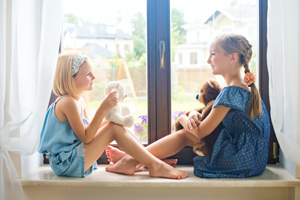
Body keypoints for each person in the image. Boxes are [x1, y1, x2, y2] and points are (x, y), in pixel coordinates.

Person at [106, 33, 271, 178]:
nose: (208, 60)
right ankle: (132, 158)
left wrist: (183, 117)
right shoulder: (244, 89)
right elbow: (212, 122)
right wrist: (194, 115)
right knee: (186, 134)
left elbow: (200, 132)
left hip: (241, 160)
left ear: (232, 57)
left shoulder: (231, 92)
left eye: (213, 54)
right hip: (253, 159)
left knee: (185, 134)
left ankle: (130, 160)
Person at [38, 51, 188, 179]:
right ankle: (154, 164)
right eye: (88, 74)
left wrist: (113, 116)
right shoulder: (67, 102)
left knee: (115, 124)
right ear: (71, 79)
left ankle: (143, 160)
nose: (94, 77)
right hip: (67, 163)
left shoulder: (79, 101)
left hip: (75, 157)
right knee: (113, 128)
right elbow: (86, 137)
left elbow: (91, 129)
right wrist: (102, 110)